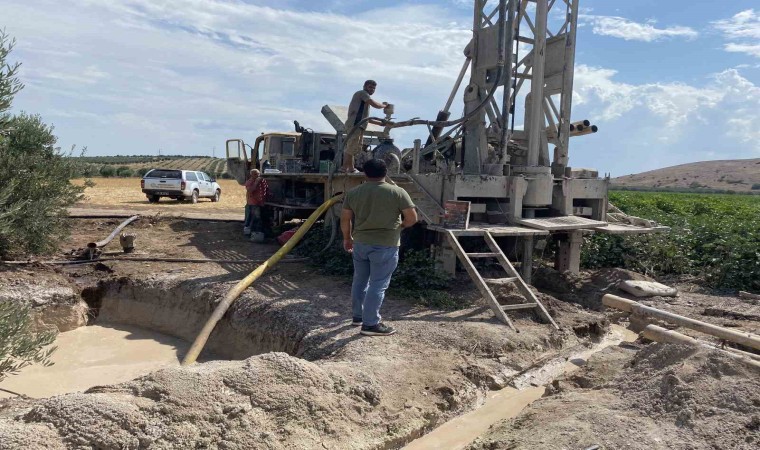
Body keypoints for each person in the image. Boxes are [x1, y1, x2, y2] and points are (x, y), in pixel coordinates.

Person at [341, 158, 417, 336]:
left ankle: (357, 317)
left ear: (365, 173)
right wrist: (400, 227)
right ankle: (370, 324)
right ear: (386, 172)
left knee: (360, 280)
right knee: (378, 284)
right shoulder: (398, 192)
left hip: (360, 243)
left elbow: (345, 220)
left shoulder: (353, 193)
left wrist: (347, 239)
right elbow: (412, 218)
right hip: (386, 245)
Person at [341, 80, 388, 173]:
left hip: (359, 125)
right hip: (355, 124)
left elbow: (367, 119)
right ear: (365, 86)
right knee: (351, 146)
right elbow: (374, 103)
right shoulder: (362, 94)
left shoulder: (364, 103)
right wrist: (384, 106)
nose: (372, 89)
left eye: (374, 88)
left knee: (354, 147)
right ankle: (343, 168)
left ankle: (351, 168)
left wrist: (381, 123)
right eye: (370, 87)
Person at [243, 169, 268, 237]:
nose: (257, 175)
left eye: (258, 174)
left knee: (261, 218)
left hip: (261, 202)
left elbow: (266, 188)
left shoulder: (262, 181)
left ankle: (259, 232)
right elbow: (250, 190)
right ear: (251, 175)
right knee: (255, 218)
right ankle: (251, 232)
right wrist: (256, 182)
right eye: (255, 174)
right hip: (253, 202)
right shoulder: (249, 182)